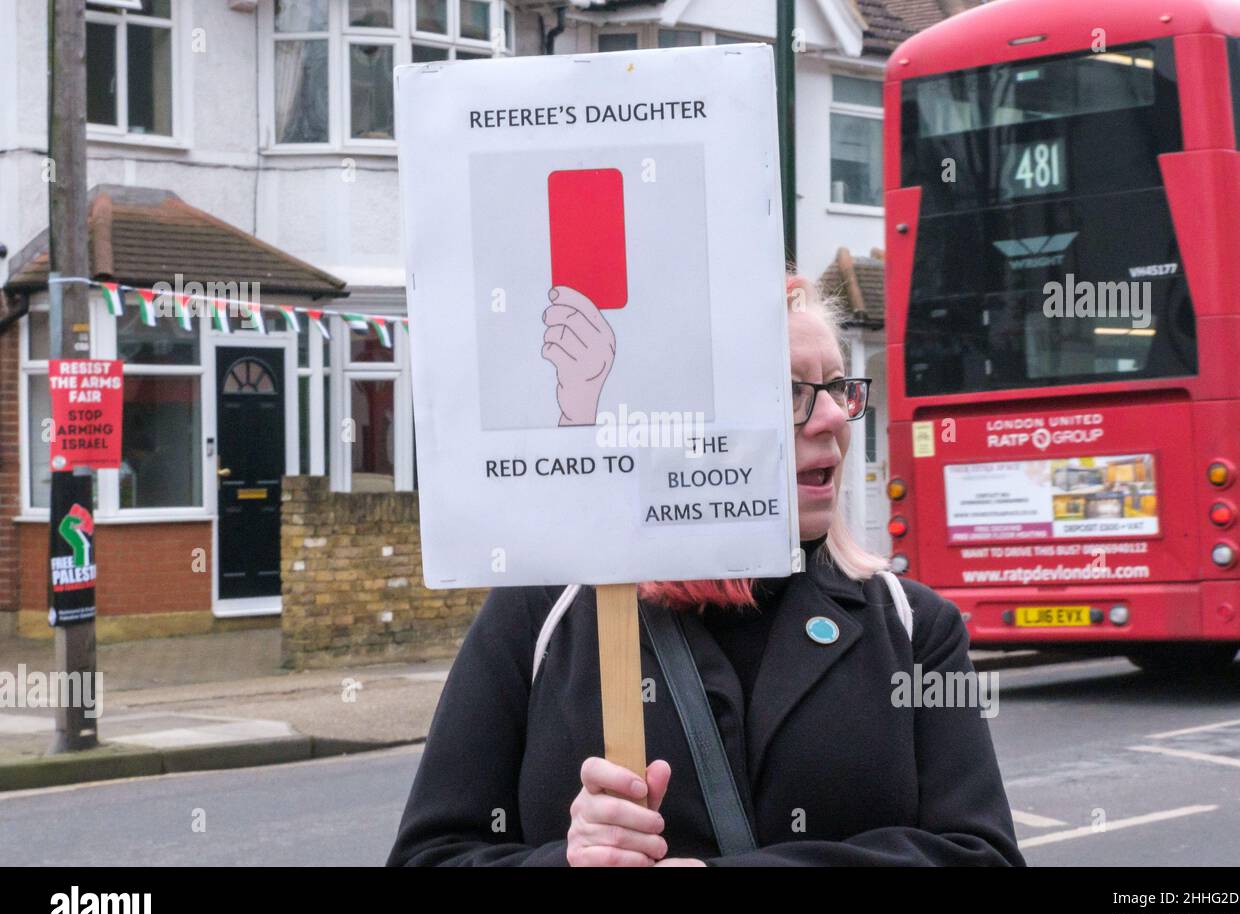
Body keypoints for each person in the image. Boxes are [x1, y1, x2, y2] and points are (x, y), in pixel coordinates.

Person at [387, 274, 1025, 866]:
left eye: (837, 387)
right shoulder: (543, 612)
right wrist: (568, 860)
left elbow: (984, 855)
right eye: (790, 393)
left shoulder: (914, 627)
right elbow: (428, 854)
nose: (832, 418)